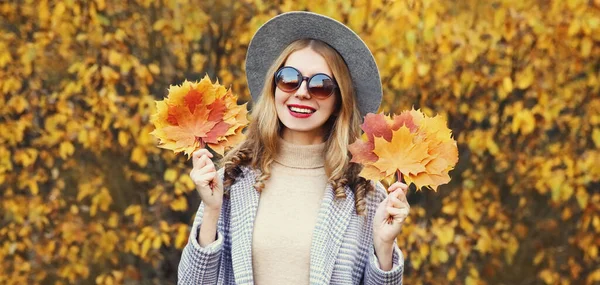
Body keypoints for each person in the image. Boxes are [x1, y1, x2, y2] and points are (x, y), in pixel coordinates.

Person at [177, 11, 409, 285]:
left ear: (339, 101)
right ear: (274, 87)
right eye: (289, 78)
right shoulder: (231, 179)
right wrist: (212, 210)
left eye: (321, 85)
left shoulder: (365, 192)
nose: (301, 92)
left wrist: (384, 246)